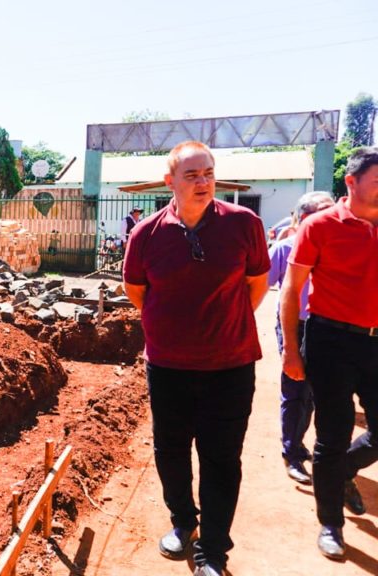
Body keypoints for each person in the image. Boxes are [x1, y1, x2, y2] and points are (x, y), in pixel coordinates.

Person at [123, 141, 269, 576]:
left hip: (231, 364)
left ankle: (214, 548)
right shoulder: (146, 234)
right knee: (171, 452)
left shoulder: (244, 223)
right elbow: (137, 294)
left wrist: (222, 325)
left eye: (208, 173)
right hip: (168, 368)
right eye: (192, 175)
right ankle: (184, 522)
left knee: (222, 458)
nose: (203, 181)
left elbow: (256, 285)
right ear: (170, 182)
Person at [281, 146, 378, 560]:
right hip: (330, 341)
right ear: (351, 182)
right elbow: (291, 289)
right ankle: (330, 525)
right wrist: (290, 351)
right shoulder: (320, 226)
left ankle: (342, 473)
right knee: (332, 435)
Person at [267, 191, 335, 485]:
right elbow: (258, 283)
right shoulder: (284, 249)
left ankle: (299, 443)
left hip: (331, 325)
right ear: (304, 219)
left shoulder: (341, 250)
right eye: (324, 214)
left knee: (315, 392)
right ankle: (291, 452)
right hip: (297, 324)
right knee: (296, 390)